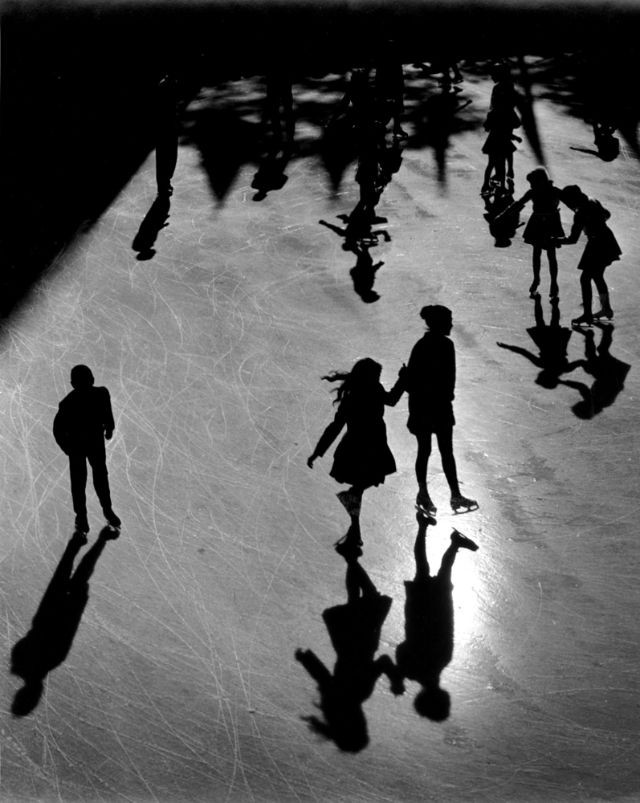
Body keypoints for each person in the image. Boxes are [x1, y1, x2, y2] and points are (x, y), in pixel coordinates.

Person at [307, 358, 404, 553]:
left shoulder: (363, 393)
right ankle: (355, 523)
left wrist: (403, 379)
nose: (378, 379)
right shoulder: (363, 395)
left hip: (366, 444)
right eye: (376, 375)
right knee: (365, 483)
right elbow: (336, 426)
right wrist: (403, 380)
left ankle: (355, 524)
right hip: (365, 446)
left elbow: (336, 426)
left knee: (363, 484)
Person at [395, 511, 478, 721]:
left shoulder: (443, 659)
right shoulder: (411, 671)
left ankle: (448, 540)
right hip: (419, 613)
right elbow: (401, 648)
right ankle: (438, 534)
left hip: (435, 609)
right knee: (423, 567)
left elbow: (448, 628)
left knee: (436, 569)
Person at [403, 305, 477, 515]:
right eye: (449, 320)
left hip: (424, 405)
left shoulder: (421, 346)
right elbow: (449, 378)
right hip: (436, 406)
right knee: (444, 451)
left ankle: (426, 493)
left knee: (425, 450)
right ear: (440, 323)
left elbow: (411, 380)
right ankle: (453, 495)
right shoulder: (445, 345)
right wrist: (445, 396)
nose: (452, 324)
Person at [53, 365, 121, 533]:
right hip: (83, 446)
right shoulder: (75, 402)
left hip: (87, 445)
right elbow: (58, 429)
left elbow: (58, 429)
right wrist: (109, 428)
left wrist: (109, 427)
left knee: (91, 479)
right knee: (86, 480)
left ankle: (90, 514)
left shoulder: (70, 402)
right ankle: (90, 514)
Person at [498, 166, 567, 298]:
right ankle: (545, 281)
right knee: (546, 254)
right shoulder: (552, 191)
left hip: (541, 222)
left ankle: (548, 281)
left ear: (539, 181)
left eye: (532, 183)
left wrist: (503, 215)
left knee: (543, 253)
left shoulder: (542, 191)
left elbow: (518, 204)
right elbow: (518, 204)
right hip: (549, 222)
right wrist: (504, 214)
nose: (531, 185)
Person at [559, 185, 622, 326]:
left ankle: (588, 314)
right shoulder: (592, 200)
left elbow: (572, 239)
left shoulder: (580, 213)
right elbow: (607, 214)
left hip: (596, 244)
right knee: (597, 276)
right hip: (607, 239)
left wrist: (555, 240)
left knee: (585, 278)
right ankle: (606, 308)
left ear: (573, 199)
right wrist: (596, 223)